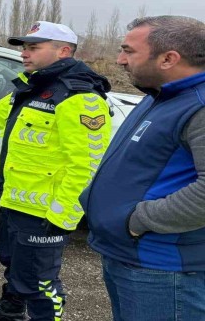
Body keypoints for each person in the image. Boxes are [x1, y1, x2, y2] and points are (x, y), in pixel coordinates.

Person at [0, 21, 112, 321]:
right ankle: (10, 310)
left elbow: (88, 164)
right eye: (24, 47)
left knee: (40, 282)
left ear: (63, 51)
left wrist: (63, 216)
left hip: (45, 212)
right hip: (16, 201)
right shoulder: (32, 89)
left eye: (34, 47)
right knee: (15, 265)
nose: (24, 54)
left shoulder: (80, 97)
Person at [80, 16, 205, 321]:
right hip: (130, 254)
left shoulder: (198, 104)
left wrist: (138, 220)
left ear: (168, 58)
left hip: (163, 268)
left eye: (128, 51)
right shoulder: (162, 96)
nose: (120, 60)